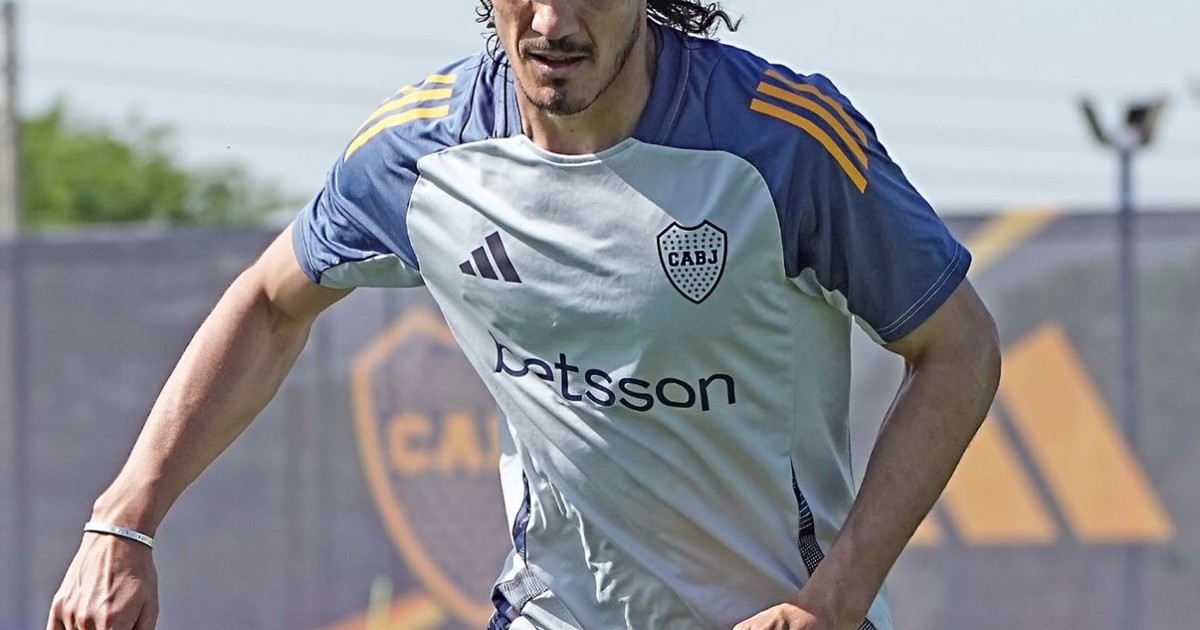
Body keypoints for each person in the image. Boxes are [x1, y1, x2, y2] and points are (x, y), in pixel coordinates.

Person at [48, 1, 1002, 629]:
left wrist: (835, 599)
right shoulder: (422, 152)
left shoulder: (779, 143)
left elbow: (957, 348)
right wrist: (123, 522)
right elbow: (267, 304)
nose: (551, 22)